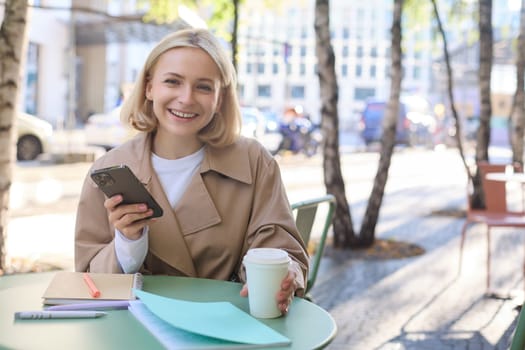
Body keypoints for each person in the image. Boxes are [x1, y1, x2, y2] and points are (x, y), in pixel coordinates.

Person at [74, 28, 309, 315]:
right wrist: (128, 242)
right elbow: (87, 278)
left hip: (227, 326)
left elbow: (279, 248)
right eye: (173, 82)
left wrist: (285, 276)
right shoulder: (107, 170)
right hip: (133, 329)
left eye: (204, 87)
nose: (186, 98)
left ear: (220, 98)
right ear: (149, 88)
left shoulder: (253, 161)